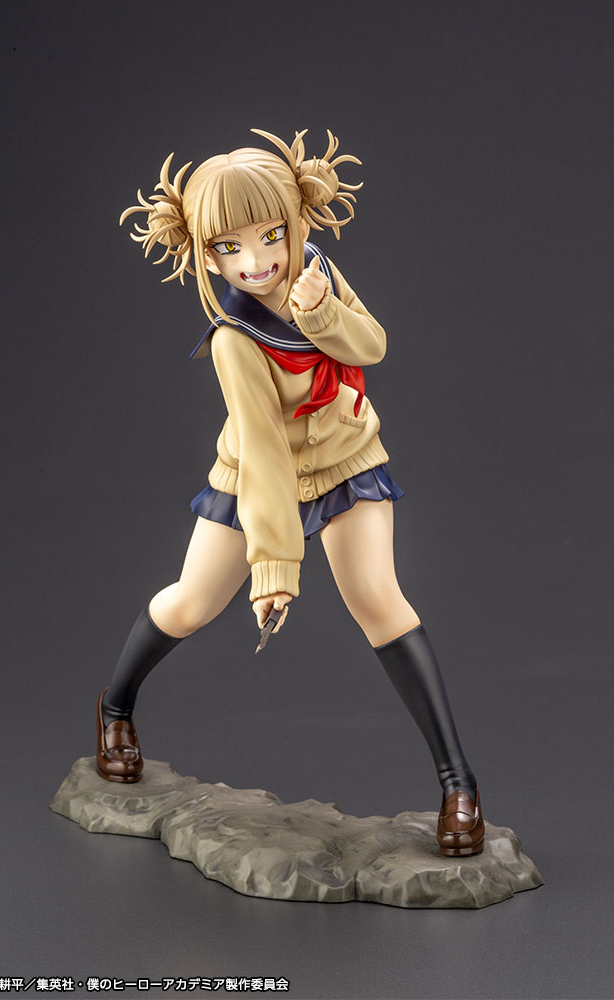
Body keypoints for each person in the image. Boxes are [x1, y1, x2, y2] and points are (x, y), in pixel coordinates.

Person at [95, 129, 485, 858]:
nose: (256, 260)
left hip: (344, 456)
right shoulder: (234, 338)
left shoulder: (315, 271)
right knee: (191, 602)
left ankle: (457, 783)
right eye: (229, 247)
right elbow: (265, 449)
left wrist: (321, 311)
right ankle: (115, 706)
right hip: (254, 476)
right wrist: (274, 566)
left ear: (295, 222)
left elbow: (370, 346)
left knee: (380, 601)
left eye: (270, 234)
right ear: (205, 254)